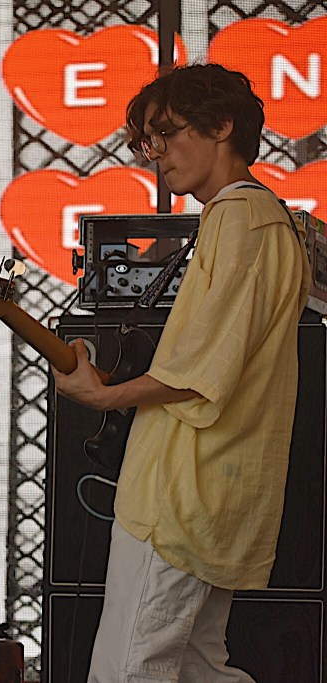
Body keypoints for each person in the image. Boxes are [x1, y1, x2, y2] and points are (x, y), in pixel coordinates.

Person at [52, 64, 311, 682]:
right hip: (208, 491)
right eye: (146, 142)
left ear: (222, 126)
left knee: (131, 668)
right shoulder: (259, 222)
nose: (156, 155)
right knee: (197, 667)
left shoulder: (240, 219)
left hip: (182, 493)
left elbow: (200, 370)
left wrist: (106, 392)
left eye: (166, 133)